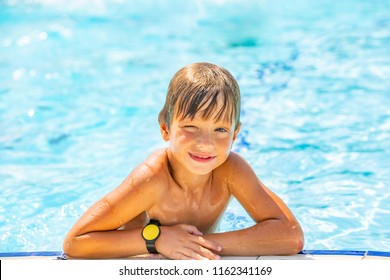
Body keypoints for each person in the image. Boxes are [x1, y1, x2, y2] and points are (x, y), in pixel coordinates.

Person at [63, 62, 304, 260]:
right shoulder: (151, 178)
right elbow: (76, 242)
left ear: (235, 134)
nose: (206, 143)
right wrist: (156, 239)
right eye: (191, 127)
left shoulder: (231, 170)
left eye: (220, 129)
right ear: (165, 129)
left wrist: (198, 244)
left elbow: (291, 236)